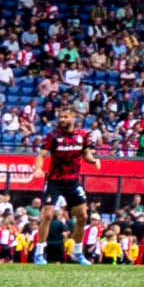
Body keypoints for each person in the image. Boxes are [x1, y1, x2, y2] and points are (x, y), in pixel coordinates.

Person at [40, 108, 88, 263]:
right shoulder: (53, 136)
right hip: (55, 180)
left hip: (73, 181)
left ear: (73, 118)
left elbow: (86, 153)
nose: (62, 119)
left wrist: (93, 160)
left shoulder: (82, 136)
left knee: (82, 216)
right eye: (60, 116)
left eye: (65, 116)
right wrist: (37, 168)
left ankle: (77, 252)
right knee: (47, 215)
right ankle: (39, 253)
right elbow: (41, 155)